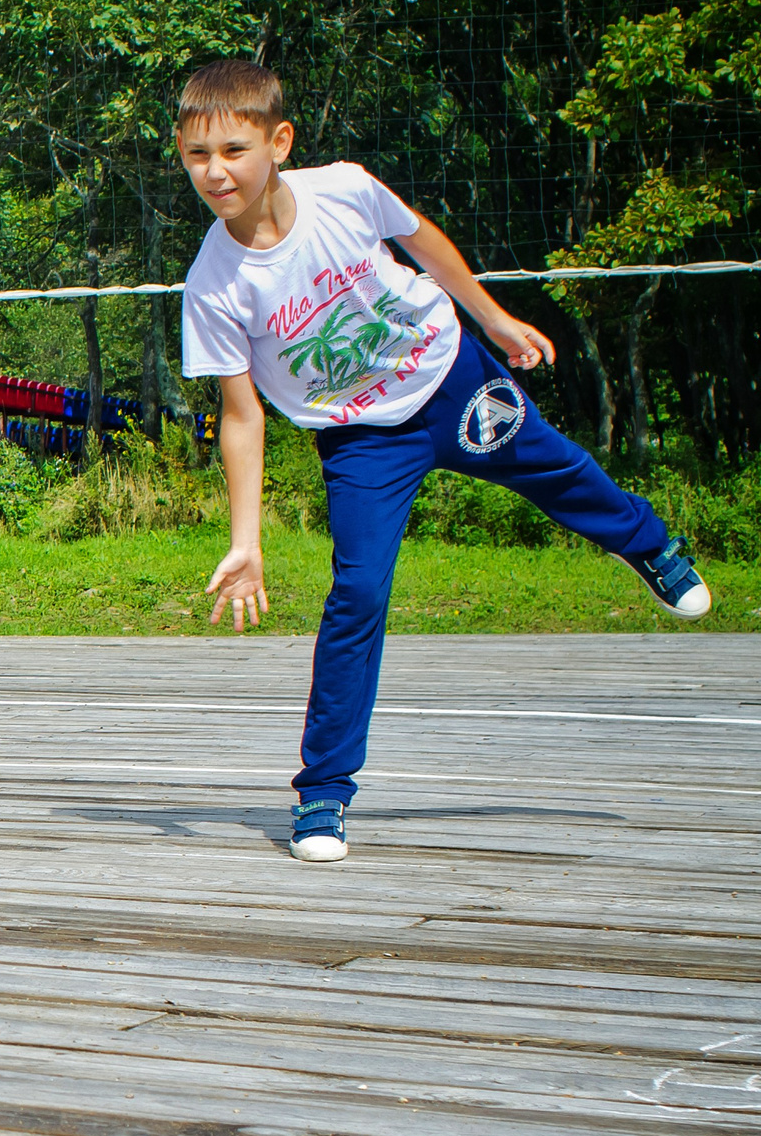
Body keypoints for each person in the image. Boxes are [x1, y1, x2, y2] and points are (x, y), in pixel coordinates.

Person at [175, 59, 710, 864]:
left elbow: (423, 241)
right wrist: (245, 540)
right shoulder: (212, 285)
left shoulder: (346, 191)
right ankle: (323, 794)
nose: (216, 172)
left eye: (234, 150)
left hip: (446, 374)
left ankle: (651, 547)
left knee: (558, 470)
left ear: (279, 142)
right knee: (357, 591)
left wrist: (493, 320)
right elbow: (242, 415)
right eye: (195, 156)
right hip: (362, 438)